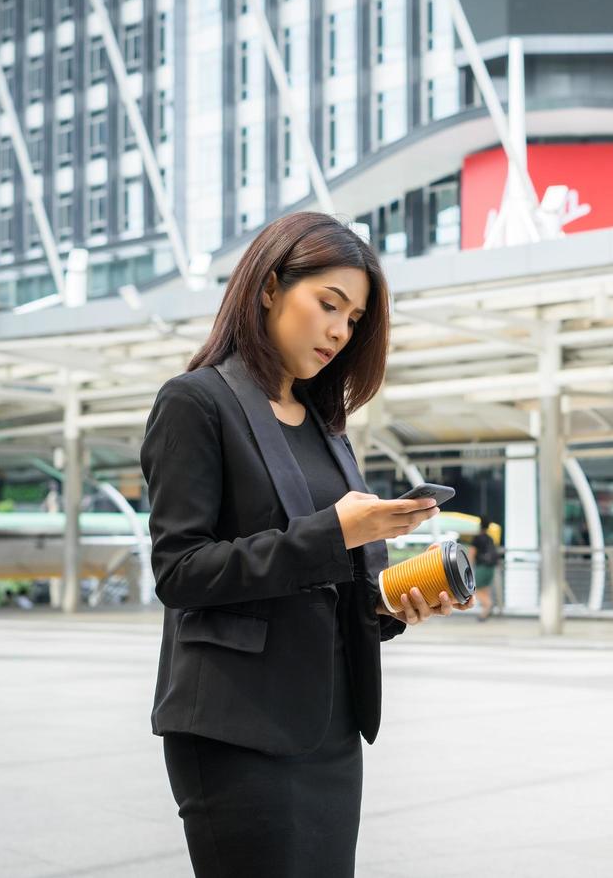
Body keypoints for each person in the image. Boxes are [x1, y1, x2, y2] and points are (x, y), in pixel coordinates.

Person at [141, 212, 467, 877]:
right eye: (328, 304)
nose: (339, 332)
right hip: (239, 729)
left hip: (330, 725)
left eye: (352, 320)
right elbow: (180, 571)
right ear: (267, 287)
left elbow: (323, 581)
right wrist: (334, 532)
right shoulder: (196, 403)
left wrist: (388, 603)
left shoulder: (326, 427)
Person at [469, 515, 500, 621]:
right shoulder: (490, 539)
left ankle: (488, 605)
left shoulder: (477, 538)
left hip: (482, 567)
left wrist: (469, 568)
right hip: (491, 568)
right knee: (485, 590)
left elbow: (472, 553)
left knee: (475, 590)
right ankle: (484, 614)